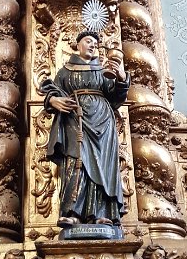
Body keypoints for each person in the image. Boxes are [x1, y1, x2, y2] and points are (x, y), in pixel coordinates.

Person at [40, 31, 129, 226]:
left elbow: (116, 99)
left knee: (103, 164)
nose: (92, 45)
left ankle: (102, 213)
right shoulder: (65, 71)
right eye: (88, 41)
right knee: (75, 163)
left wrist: (122, 79)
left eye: (95, 43)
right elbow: (52, 91)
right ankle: (73, 213)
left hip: (103, 122)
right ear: (77, 44)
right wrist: (53, 100)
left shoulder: (104, 70)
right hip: (74, 119)